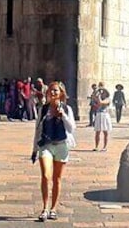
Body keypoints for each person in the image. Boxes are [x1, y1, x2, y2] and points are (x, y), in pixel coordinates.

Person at [32, 81, 76, 222]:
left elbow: (71, 128)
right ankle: (45, 208)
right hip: (46, 145)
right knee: (46, 175)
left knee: (57, 179)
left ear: (61, 93)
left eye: (56, 90)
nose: (52, 93)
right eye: (50, 90)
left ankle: (53, 208)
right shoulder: (43, 109)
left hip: (62, 146)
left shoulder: (67, 109)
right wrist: (34, 149)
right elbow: (37, 129)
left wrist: (62, 115)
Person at [92, 83, 112, 150]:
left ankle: (105, 147)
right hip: (98, 114)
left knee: (105, 132)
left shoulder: (108, 99)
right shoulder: (99, 97)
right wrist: (96, 94)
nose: (102, 93)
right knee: (97, 132)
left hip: (104, 115)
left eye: (104, 92)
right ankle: (96, 146)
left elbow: (101, 102)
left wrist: (99, 97)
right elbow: (95, 101)